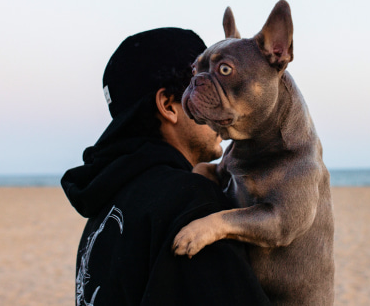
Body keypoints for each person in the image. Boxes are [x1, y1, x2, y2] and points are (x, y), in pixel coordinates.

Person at [61, 28, 271, 305]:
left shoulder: (102, 211)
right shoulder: (192, 204)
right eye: (205, 86)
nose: (225, 103)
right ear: (169, 105)